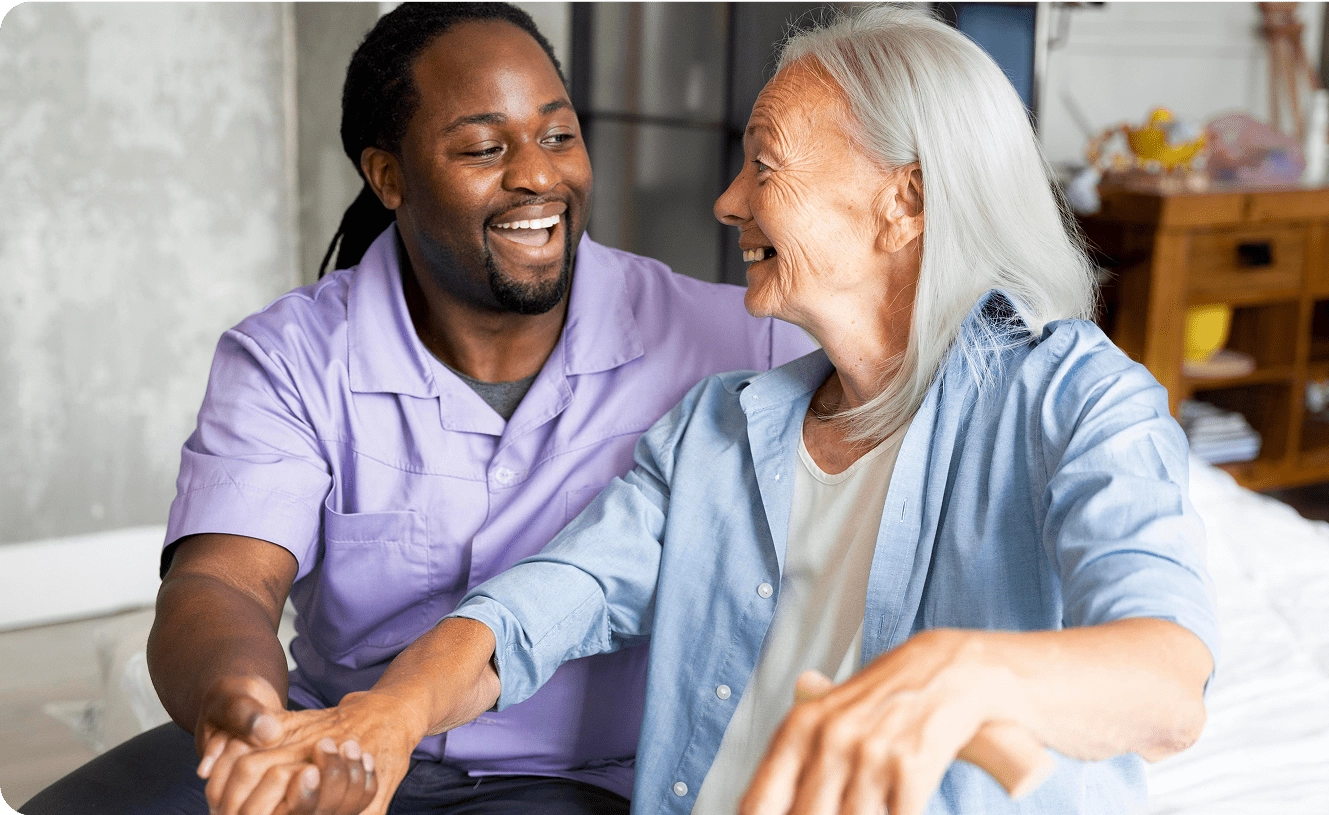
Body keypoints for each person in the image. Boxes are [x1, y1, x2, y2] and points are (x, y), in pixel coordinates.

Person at [196, 7, 1218, 815]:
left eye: (763, 165)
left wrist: (959, 671)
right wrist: (387, 713)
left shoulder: (1077, 397)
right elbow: (544, 600)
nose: (728, 203)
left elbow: (1169, 685)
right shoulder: (724, 423)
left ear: (903, 201)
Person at [20, 4, 814, 814]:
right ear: (388, 176)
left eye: (559, 135)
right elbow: (223, 581)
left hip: (569, 779)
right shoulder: (290, 356)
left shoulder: (737, 342)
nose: (538, 176)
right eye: (483, 147)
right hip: (330, 740)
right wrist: (250, 720)